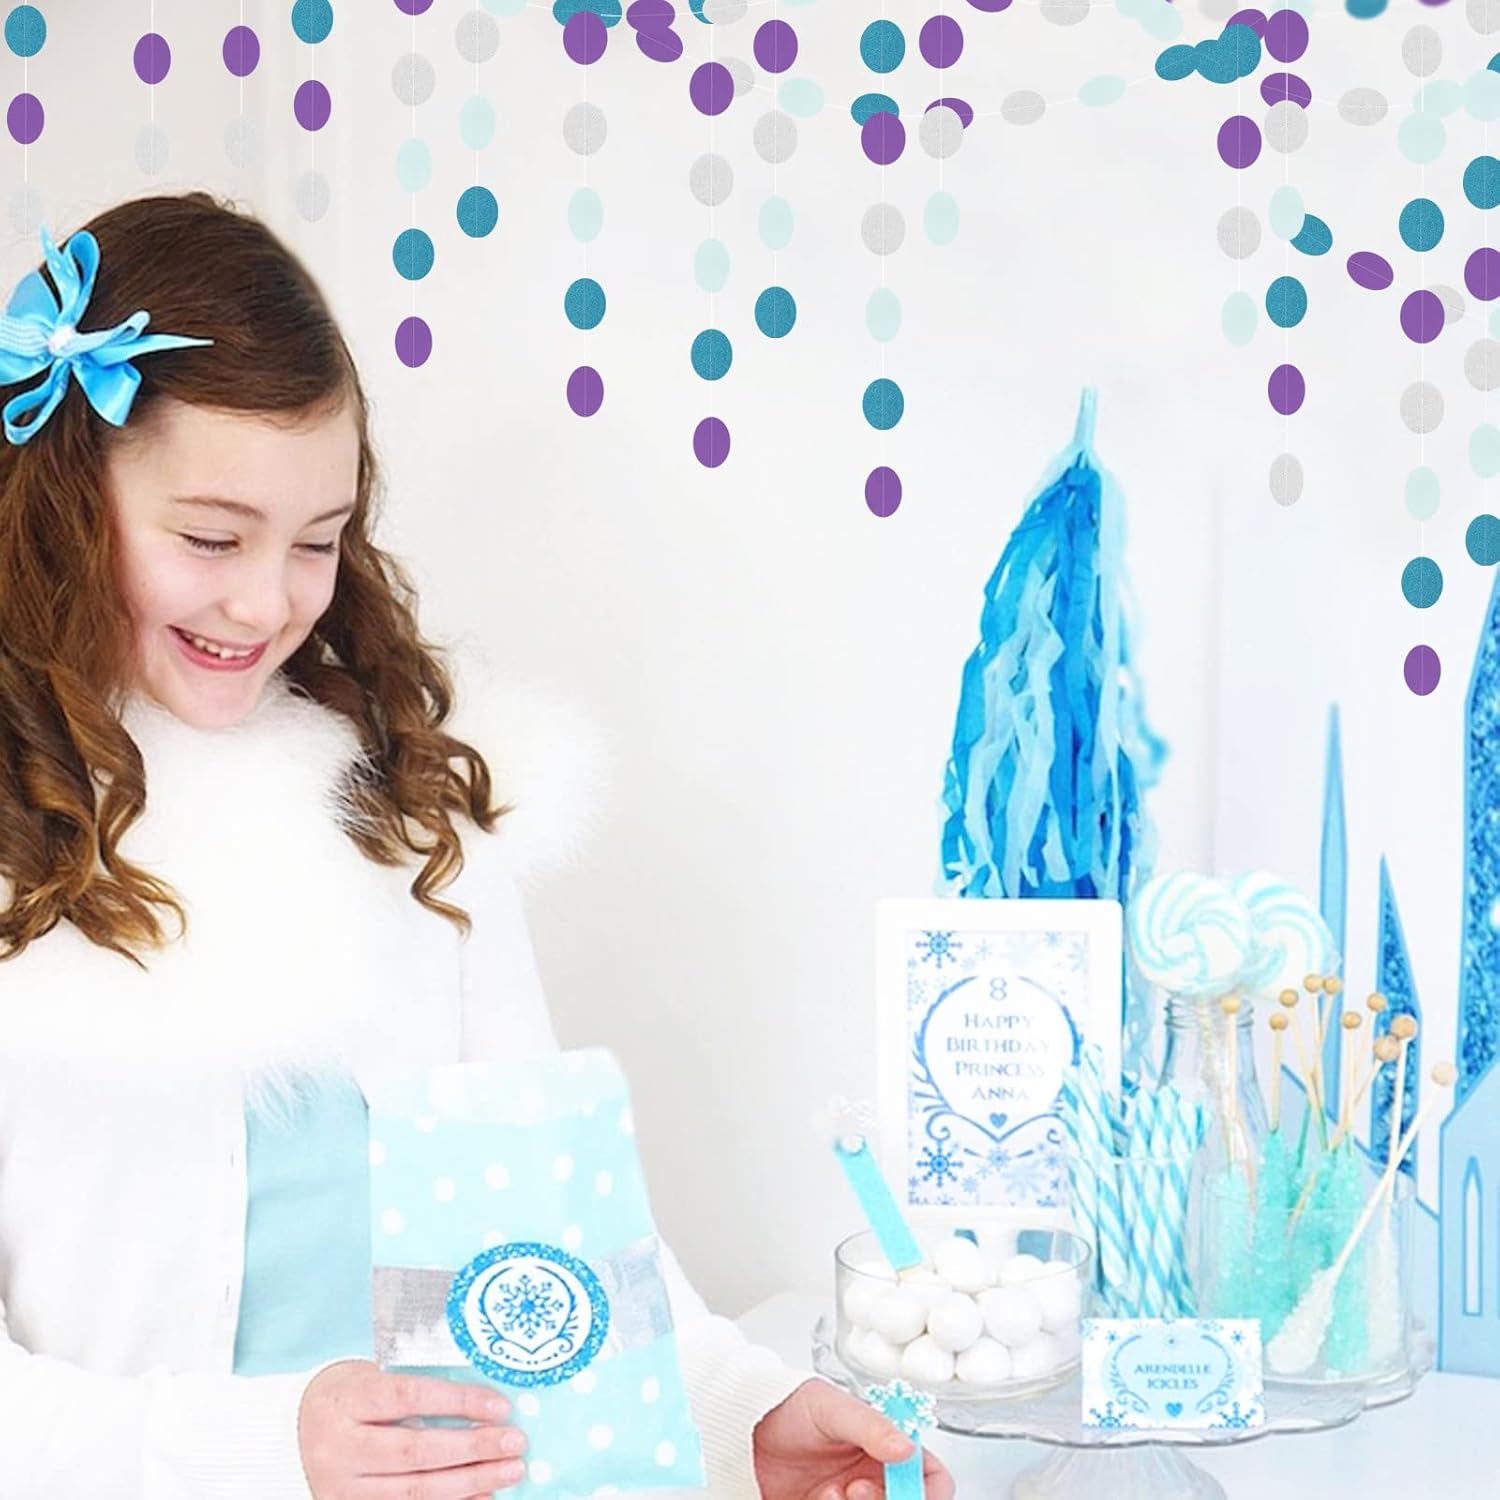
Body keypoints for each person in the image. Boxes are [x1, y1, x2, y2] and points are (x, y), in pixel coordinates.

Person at [0, 191, 955, 1500]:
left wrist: (738, 1418)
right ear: (60, 504)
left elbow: (552, 1240)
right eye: (210, 538)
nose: (265, 602)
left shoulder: (405, 819)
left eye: (318, 543)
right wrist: (270, 1451)